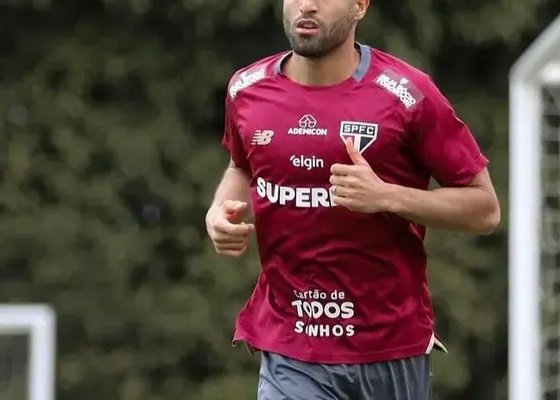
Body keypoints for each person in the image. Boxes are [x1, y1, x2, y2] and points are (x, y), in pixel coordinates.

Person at [205, 0, 500, 398]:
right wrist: (219, 211)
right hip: (292, 347)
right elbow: (241, 167)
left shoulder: (409, 95)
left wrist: (386, 196)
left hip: (390, 346)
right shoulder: (247, 89)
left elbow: (484, 210)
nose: (306, 6)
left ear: (360, 6)